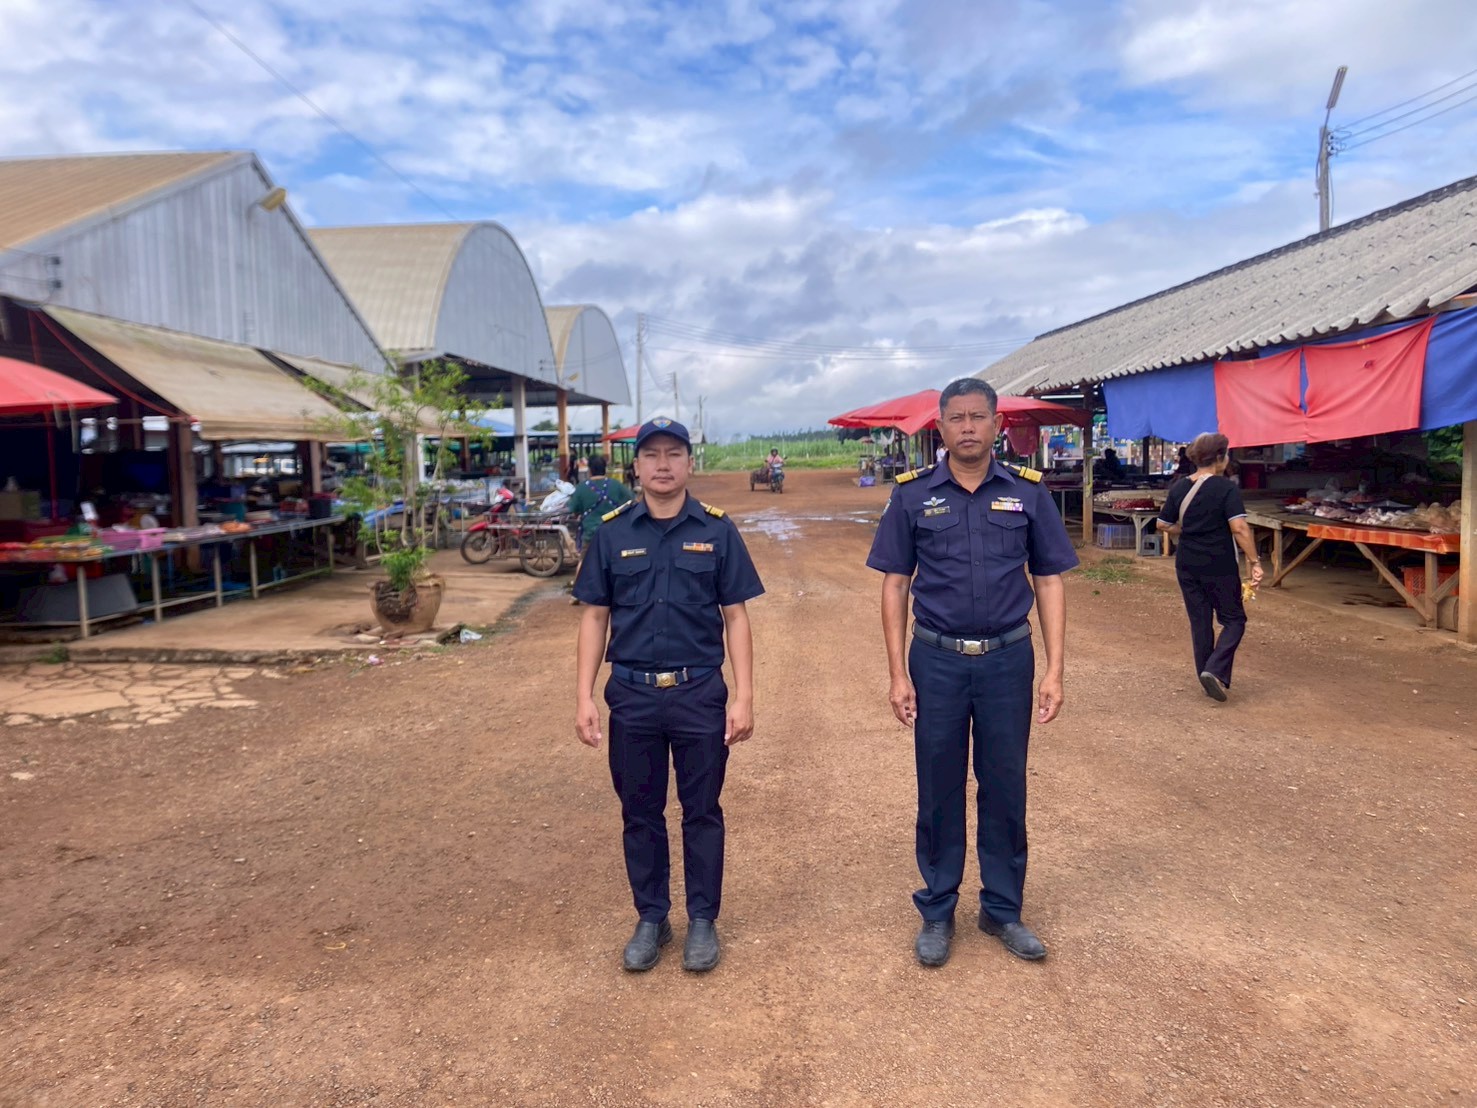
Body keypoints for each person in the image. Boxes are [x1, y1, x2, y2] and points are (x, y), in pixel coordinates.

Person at [867, 378, 1078, 968]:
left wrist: (1055, 668)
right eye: (956, 418)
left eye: (978, 417)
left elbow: (1050, 580)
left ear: (996, 425)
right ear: (941, 426)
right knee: (938, 784)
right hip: (934, 660)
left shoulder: (1029, 494)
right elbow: (894, 584)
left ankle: (1002, 910)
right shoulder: (911, 497)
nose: (967, 428)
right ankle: (937, 910)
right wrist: (896, 672)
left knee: (1005, 783)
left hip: (1009, 658)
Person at [573, 417, 764, 973]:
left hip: (698, 692)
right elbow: (594, 618)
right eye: (651, 454)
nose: (662, 464)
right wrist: (584, 695)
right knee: (640, 812)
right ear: (635, 465)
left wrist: (744, 695)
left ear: (689, 463)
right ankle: (652, 917)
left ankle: (703, 919)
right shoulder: (612, 533)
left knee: (702, 810)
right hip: (631, 696)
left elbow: (736, 616)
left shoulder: (717, 530)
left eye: (673, 454)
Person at [1155, 433, 1264, 702]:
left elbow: (1161, 524)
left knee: (1200, 621)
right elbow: (1239, 528)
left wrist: (1186, 529)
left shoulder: (1180, 487)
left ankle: (1206, 673)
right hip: (1219, 564)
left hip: (1187, 564)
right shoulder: (1225, 488)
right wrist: (1255, 562)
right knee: (1234, 620)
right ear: (1219, 458)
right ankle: (1214, 670)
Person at [565, 455, 635, 605]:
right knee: (618, 561)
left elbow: (574, 510)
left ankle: (576, 595)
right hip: (615, 532)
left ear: (590, 470)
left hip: (590, 532)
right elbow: (631, 502)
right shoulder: (616, 485)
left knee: (584, 561)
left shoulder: (582, 487)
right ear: (605, 468)